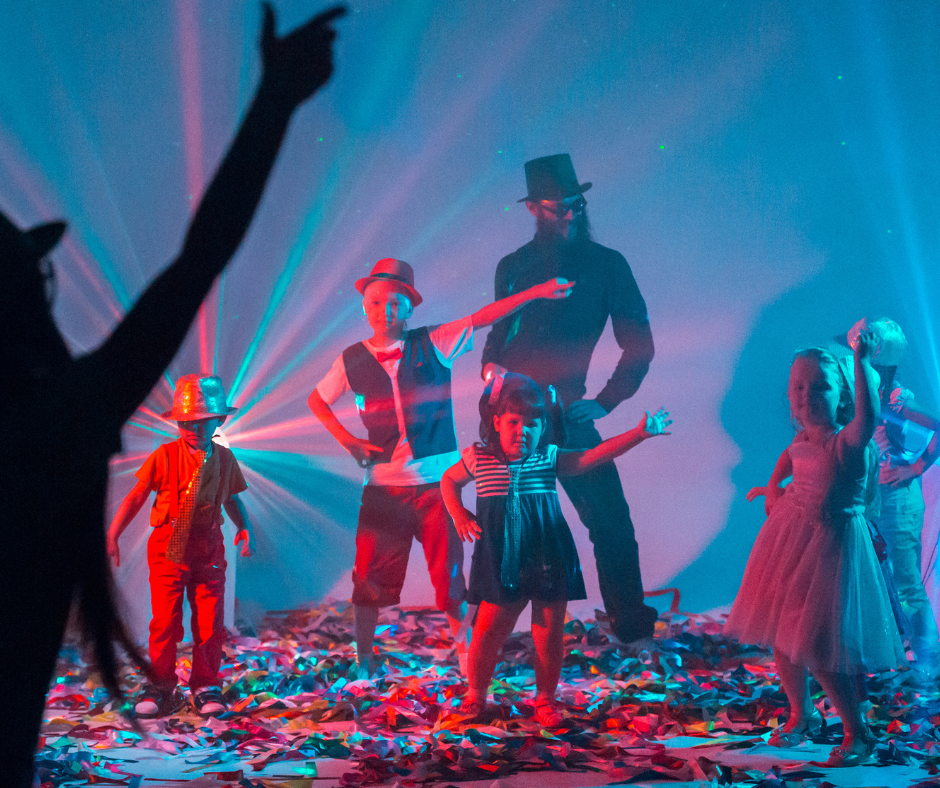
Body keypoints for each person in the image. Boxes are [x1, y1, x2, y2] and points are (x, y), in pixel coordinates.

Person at [0, 5, 344, 783]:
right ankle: (165, 684)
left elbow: (197, 263)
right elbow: (200, 260)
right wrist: (274, 103)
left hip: (201, 557)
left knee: (201, 625)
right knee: (166, 625)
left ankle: (190, 684)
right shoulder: (62, 418)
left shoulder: (72, 419)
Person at [308, 258, 574, 675]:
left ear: (409, 308)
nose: (385, 311)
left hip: (438, 485)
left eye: (395, 303)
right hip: (383, 487)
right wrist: (348, 441)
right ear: (364, 307)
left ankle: (467, 658)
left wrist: (536, 292)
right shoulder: (352, 359)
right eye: (376, 302)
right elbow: (317, 400)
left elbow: (484, 317)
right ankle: (364, 660)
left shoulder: (433, 342)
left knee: (451, 580)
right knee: (369, 579)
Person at [481, 153, 659, 644]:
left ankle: (630, 629)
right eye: (557, 207)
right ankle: (489, 635)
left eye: (576, 204)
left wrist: (605, 401)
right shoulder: (513, 266)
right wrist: (489, 367)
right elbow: (497, 333)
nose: (569, 214)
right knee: (504, 528)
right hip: (508, 415)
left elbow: (639, 345)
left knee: (610, 522)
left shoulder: (607, 265)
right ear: (533, 209)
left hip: (565, 413)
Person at [440, 373, 670, 725]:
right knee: (486, 632)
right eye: (514, 422)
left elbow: (592, 456)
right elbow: (448, 480)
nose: (523, 431)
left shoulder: (548, 458)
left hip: (548, 556)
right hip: (501, 559)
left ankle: (545, 699)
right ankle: (476, 695)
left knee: (548, 633)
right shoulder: (478, 458)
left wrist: (638, 434)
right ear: (497, 422)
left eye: (532, 424)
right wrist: (458, 514)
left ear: (543, 428)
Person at [725, 333, 907, 767]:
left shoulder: (847, 441)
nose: (807, 395)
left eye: (820, 386)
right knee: (781, 635)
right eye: (798, 387)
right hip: (791, 541)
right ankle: (801, 714)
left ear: (842, 394)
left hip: (831, 549)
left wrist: (861, 360)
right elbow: (789, 459)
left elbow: (868, 415)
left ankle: (857, 732)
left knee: (817, 644)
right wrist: (773, 489)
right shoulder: (803, 438)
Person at [107, 375, 254, 717]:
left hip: (208, 546)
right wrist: (113, 533)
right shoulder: (165, 456)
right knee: (164, 622)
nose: (193, 428)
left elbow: (232, 499)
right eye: (185, 422)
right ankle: (160, 685)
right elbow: (136, 496)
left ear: (219, 420)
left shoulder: (224, 459)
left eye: (202, 421)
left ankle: (205, 684)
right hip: (168, 546)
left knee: (210, 621)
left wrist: (244, 526)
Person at [847, 317, 940, 668]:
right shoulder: (863, 391)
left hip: (897, 499)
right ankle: (898, 656)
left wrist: (914, 468)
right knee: (879, 580)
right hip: (870, 497)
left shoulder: (896, 399)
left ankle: (929, 662)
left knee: (906, 583)